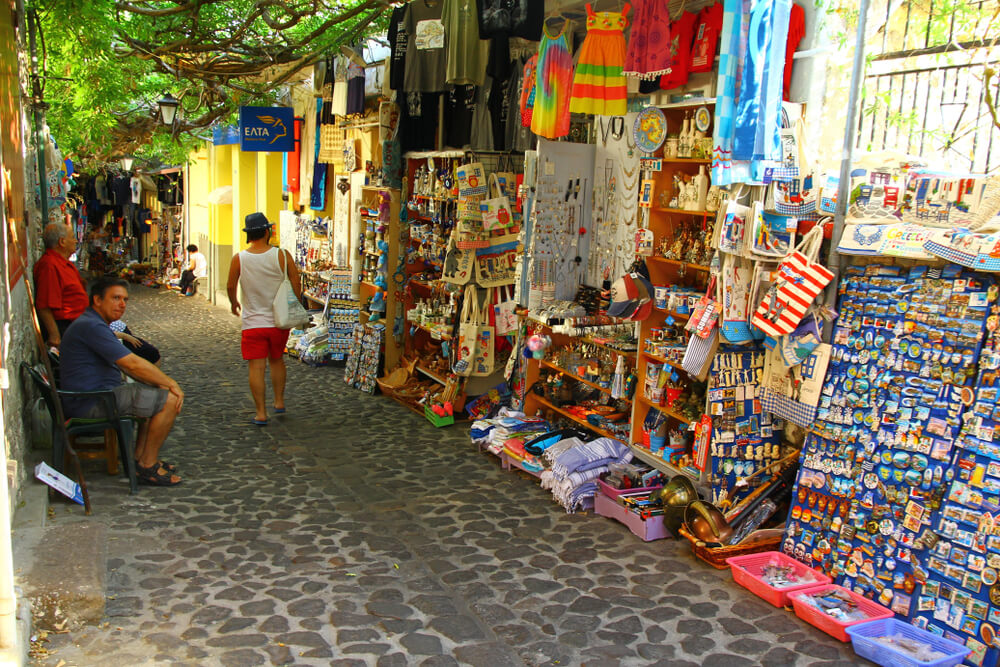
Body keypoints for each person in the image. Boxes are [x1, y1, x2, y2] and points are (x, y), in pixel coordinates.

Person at [59, 277, 184, 485]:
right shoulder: (92, 326)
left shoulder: (93, 322)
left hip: (96, 396)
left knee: (152, 390)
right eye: (115, 298)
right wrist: (171, 384)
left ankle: (139, 459)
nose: (122, 304)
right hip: (92, 401)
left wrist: (158, 382)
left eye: (125, 299)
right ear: (97, 300)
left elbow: (130, 366)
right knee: (170, 400)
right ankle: (147, 466)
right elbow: (131, 364)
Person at [226, 212, 301, 426]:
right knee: (277, 360)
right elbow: (295, 281)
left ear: (249, 235)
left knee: (256, 367)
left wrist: (234, 303)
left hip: (253, 323)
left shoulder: (239, 258)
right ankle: (278, 401)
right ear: (267, 231)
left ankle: (260, 412)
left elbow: (231, 285)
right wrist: (295, 302)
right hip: (278, 321)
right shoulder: (282, 255)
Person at [34, 222, 89, 348]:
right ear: (62, 242)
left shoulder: (62, 262)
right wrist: (55, 335)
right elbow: (44, 306)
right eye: (72, 237)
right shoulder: (50, 266)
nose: (75, 241)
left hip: (81, 322)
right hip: (67, 327)